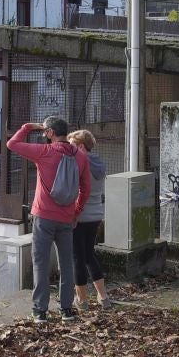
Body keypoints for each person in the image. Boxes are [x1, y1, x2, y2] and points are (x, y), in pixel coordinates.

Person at [7, 116, 89, 321]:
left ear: (51, 133)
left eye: (45, 131)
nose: (43, 134)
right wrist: (76, 212)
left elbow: (12, 144)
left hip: (43, 216)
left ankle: (40, 310)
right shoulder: (80, 156)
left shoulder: (44, 152)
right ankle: (66, 309)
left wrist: (27, 126)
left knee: (41, 263)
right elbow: (85, 189)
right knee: (67, 263)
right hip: (66, 218)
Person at [67, 130, 112, 310]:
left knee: (77, 258)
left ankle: (82, 301)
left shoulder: (79, 162)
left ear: (80, 146)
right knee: (89, 255)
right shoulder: (99, 163)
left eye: (71, 145)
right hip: (96, 215)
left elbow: (76, 191)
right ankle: (103, 297)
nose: (68, 149)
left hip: (80, 216)